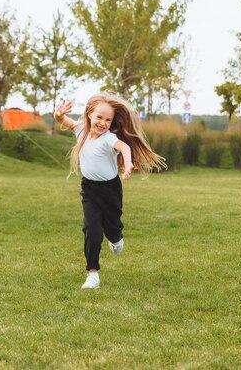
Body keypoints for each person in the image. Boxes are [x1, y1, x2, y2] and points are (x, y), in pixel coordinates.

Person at [53, 92, 166, 289]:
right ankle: (92, 274)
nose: (103, 123)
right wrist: (58, 115)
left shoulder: (108, 138)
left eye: (108, 120)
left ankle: (115, 238)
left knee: (113, 227)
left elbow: (124, 147)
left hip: (110, 189)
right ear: (89, 114)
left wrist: (129, 164)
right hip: (89, 189)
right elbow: (65, 121)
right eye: (99, 117)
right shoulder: (81, 130)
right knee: (92, 229)